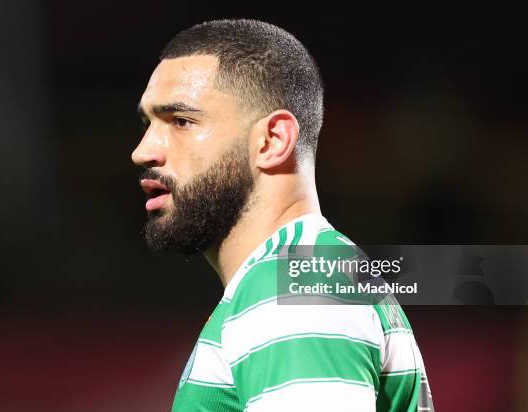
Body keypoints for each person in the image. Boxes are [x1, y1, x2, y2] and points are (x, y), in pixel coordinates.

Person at [132, 19, 434, 411]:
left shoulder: (296, 286)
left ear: (273, 141)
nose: (143, 151)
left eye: (181, 121)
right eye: (148, 123)